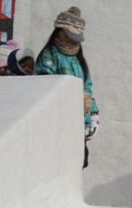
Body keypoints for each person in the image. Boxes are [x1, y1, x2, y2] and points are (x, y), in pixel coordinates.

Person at [35, 6, 98, 168]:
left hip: (79, 123)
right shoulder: (50, 55)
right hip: (59, 121)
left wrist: (93, 113)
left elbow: (88, 86)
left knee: (78, 163)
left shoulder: (78, 60)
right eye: (67, 36)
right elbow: (45, 85)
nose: (71, 41)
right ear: (59, 32)